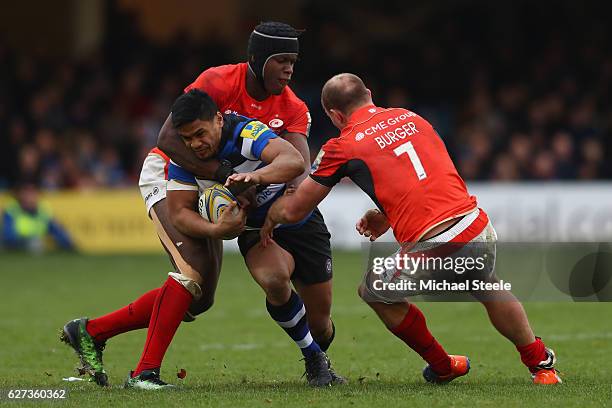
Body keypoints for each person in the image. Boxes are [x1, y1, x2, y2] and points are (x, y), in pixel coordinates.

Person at [60, 22, 340, 389]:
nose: (289, 69)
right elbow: (168, 138)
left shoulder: (292, 107)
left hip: (220, 186)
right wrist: (226, 174)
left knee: (200, 299)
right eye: (281, 60)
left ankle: (91, 331)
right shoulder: (219, 81)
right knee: (191, 275)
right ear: (258, 59)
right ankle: (144, 374)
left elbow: (295, 165)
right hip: (173, 174)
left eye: (293, 61)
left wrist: (258, 185)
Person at [260, 73, 561, 385]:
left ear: (335, 115)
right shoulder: (410, 117)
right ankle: (541, 364)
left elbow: (295, 210)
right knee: (486, 284)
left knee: (374, 290)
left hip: (438, 244)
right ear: (369, 94)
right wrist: (386, 214)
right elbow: (424, 176)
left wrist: (263, 206)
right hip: (475, 224)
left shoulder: (342, 146)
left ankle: (443, 365)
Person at [166, 89, 339, 387]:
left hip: (300, 222)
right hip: (256, 231)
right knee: (273, 279)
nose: (195, 144)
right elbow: (179, 213)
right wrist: (216, 231)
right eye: (186, 138)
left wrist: (255, 177)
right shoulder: (184, 160)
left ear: (219, 120)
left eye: (199, 133)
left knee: (319, 325)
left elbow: (294, 161)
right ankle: (313, 358)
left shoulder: (245, 131)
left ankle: (317, 346)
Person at [1, 182, 75, 252]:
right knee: (35, 243)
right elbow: (8, 234)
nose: (30, 197)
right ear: (20, 195)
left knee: (36, 243)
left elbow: (57, 231)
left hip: (34, 245)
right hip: (14, 244)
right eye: (27, 194)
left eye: (32, 193)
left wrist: (69, 245)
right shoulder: (12, 210)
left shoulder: (43, 211)